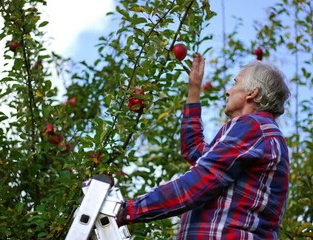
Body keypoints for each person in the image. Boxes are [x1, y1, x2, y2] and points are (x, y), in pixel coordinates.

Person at [117, 53, 291, 239]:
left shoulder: (253, 127)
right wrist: (193, 89)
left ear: (252, 93)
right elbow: (195, 151)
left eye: (235, 83)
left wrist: (130, 210)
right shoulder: (260, 133)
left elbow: (200, 181)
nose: (228, 91)